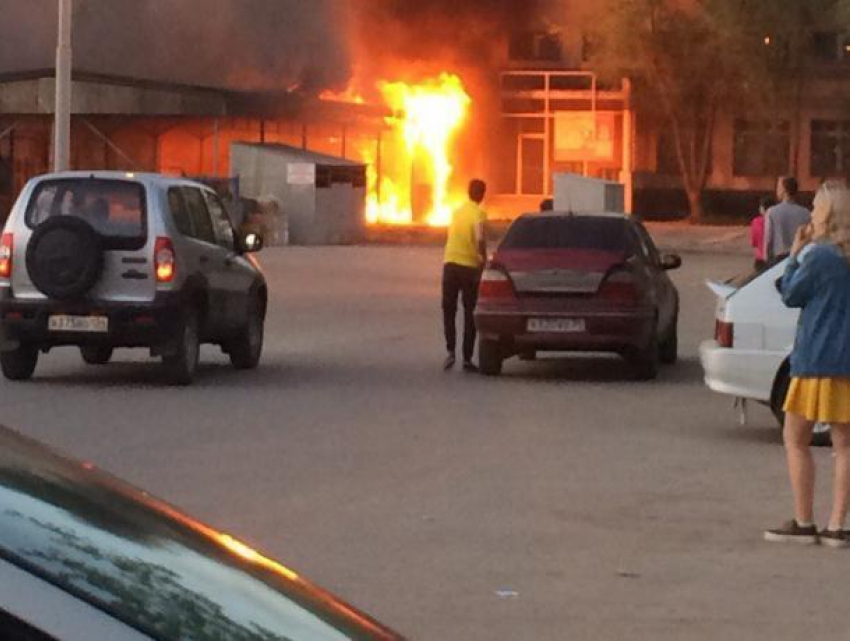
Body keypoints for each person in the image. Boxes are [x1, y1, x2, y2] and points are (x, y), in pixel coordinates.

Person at [764, 181, 850, 548]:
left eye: (816, 206)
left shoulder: (819, 256)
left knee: (795, 438)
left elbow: (789, 294)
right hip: (848, 361)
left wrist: (795, 253)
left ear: (827, 214)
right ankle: (838, 527)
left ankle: (804, 520)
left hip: (815, 358)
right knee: (844, 445)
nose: (811, 211)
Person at [442, 179, 487, 372]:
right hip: (469, 267)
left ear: (468, 192)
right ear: (482, 195)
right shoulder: (479, 214)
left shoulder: (456, 212)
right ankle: (467, 358)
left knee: (449, 309)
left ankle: (450, 351)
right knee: (470, 312)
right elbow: (480, 240)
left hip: (450, 264)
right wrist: (484, 260)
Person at [764, 176, 811, 265]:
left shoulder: (772, 212)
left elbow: (768, 240)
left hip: (778, 259)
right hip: (800, 258)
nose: (776, 190)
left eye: (778, 187)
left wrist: (767, 260)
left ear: (784, 190)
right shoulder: (806, 213)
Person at [751, 196, 774, 272]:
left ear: (763, 208)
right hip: (773, 258)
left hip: (760, 258)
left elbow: (754, 242)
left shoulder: (756, 222)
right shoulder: (775, 221)